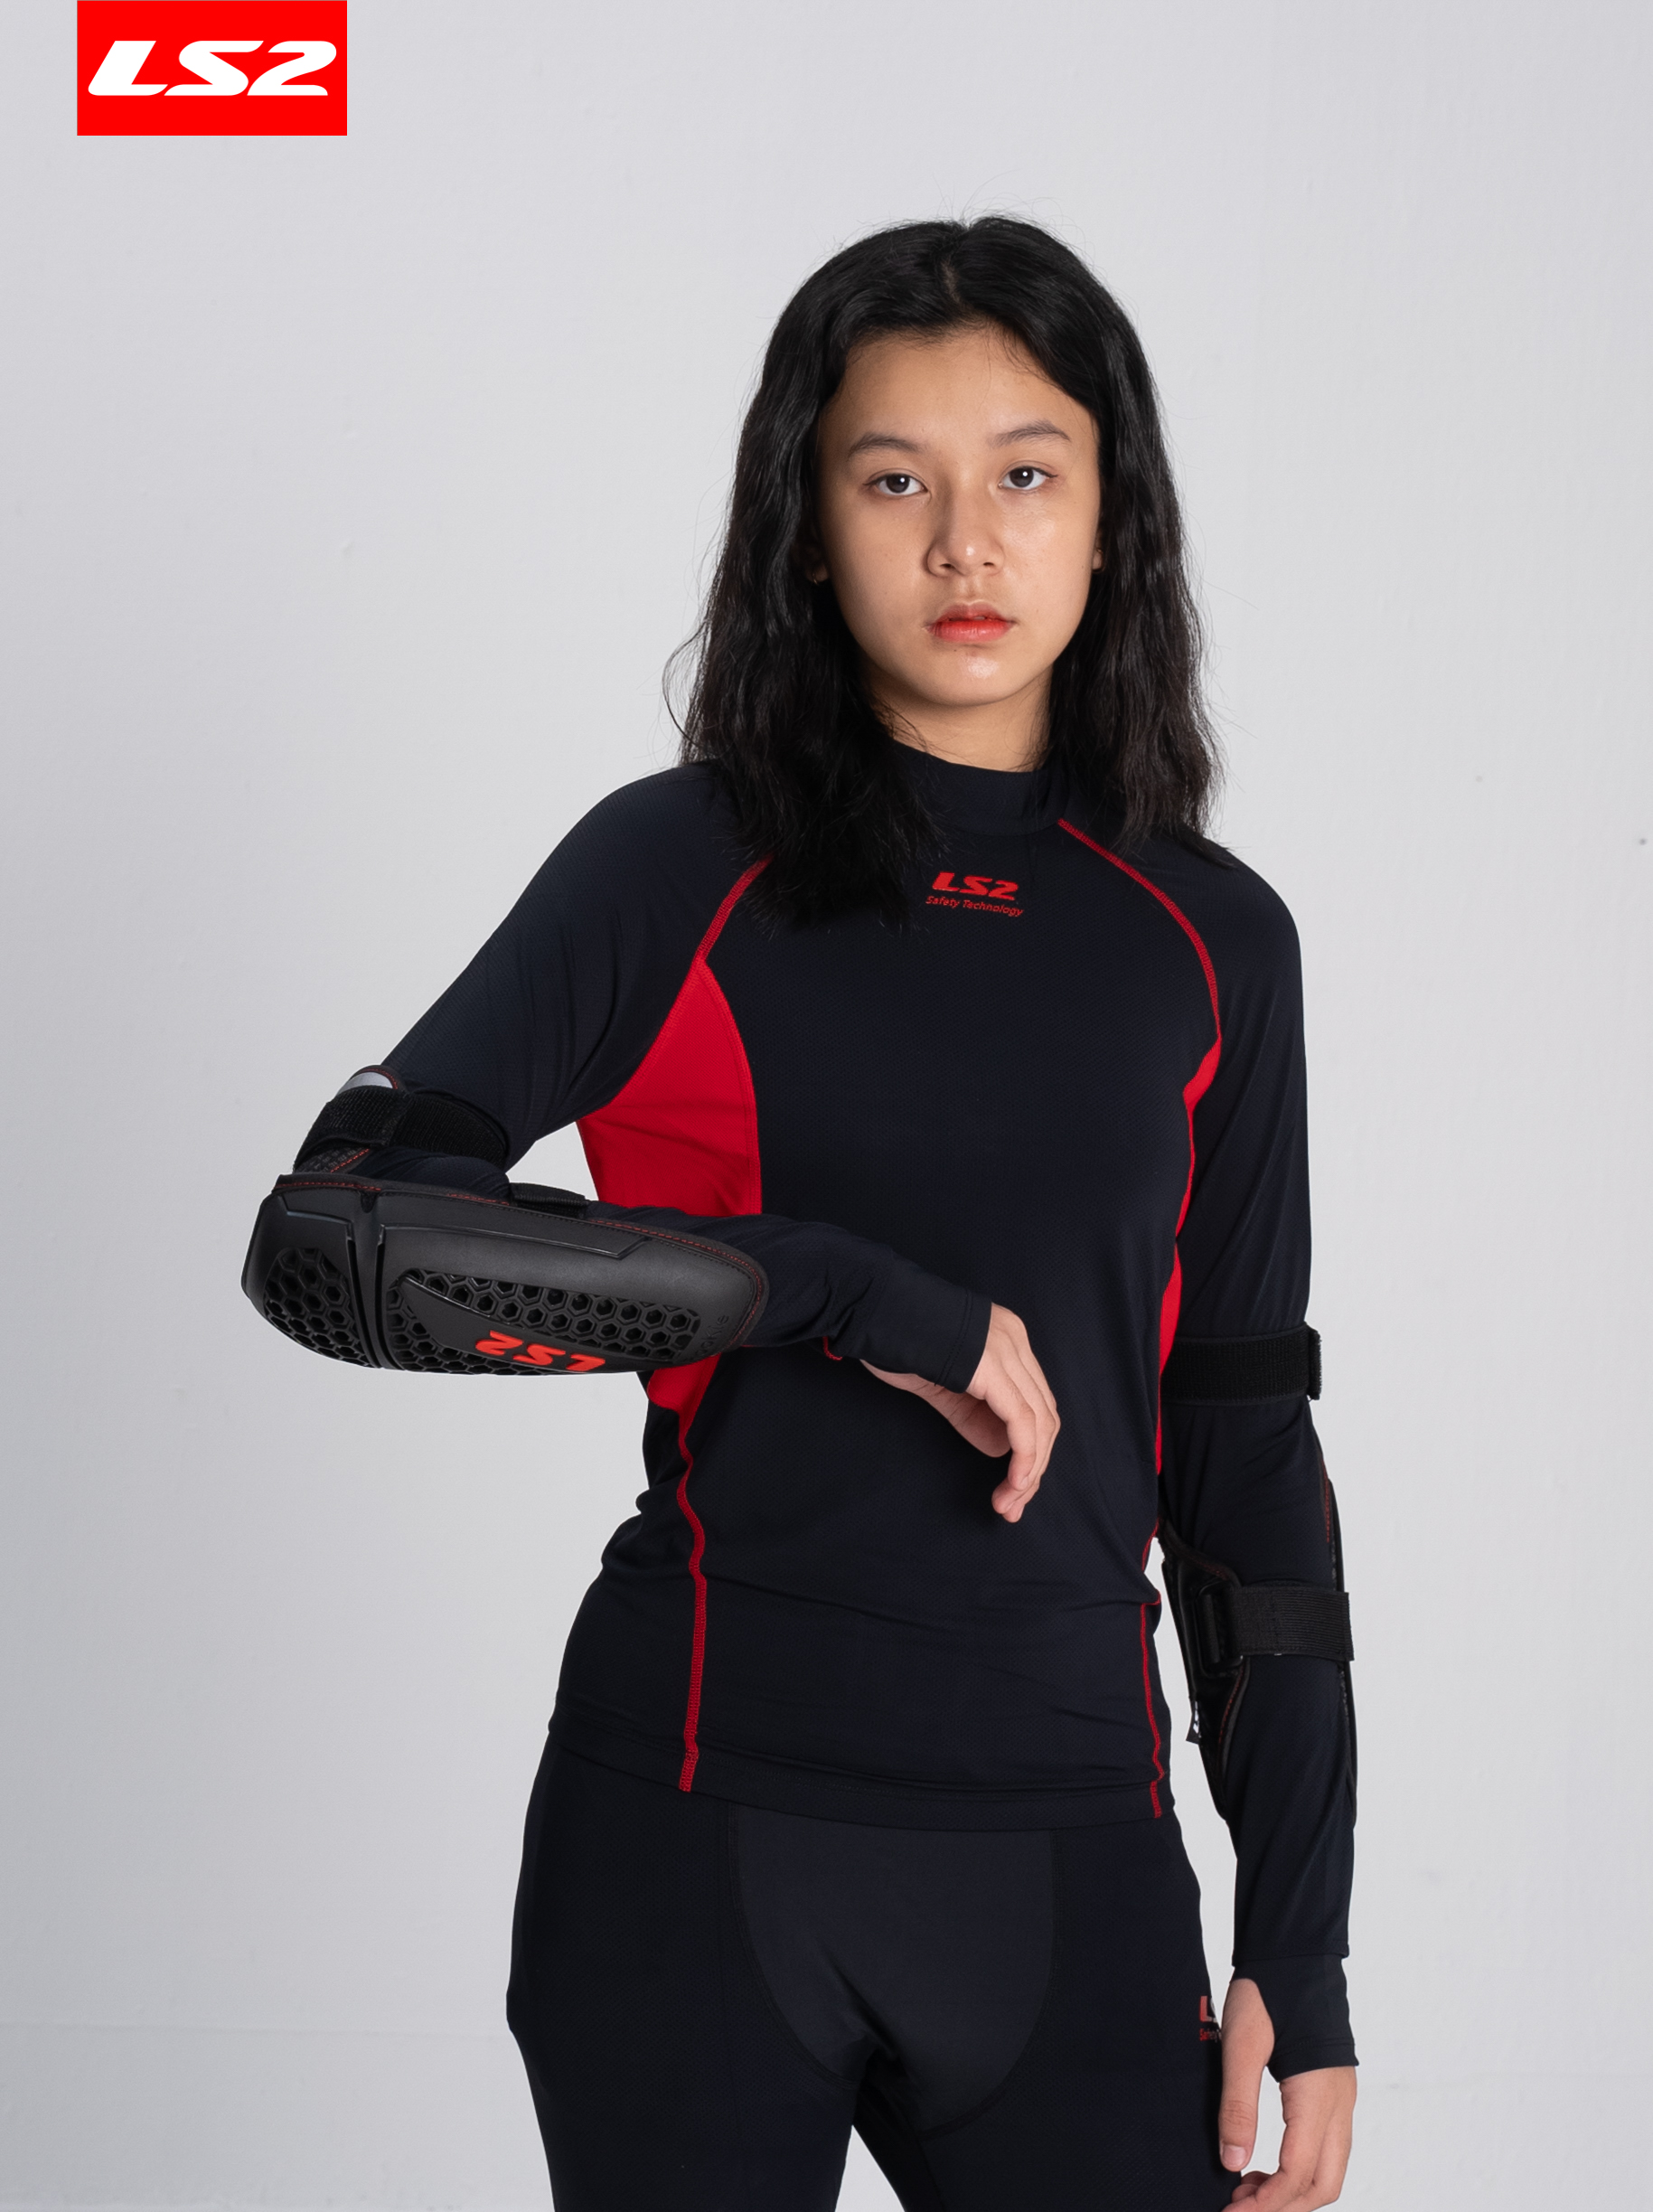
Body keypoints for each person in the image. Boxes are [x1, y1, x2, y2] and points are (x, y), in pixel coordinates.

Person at [286, 218, 1357, 2209]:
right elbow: (345, 1235)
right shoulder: (674, 866)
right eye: (891, 482)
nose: (964, 545)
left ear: (1112, 519)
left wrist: (1300, 1943)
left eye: (1024, 474)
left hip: (1067, 1840)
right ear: (804, 529)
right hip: (695, 1825)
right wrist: (840, 1292)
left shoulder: (1212, 940)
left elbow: (1246, 1466)